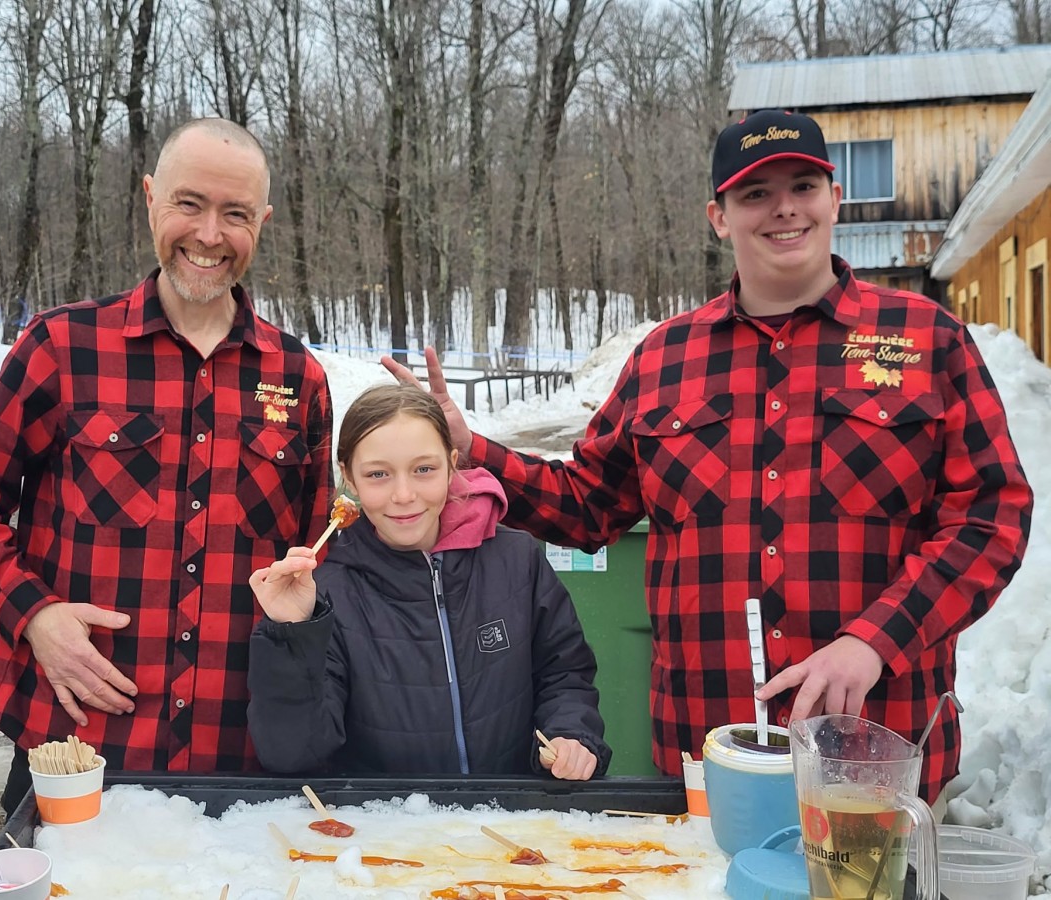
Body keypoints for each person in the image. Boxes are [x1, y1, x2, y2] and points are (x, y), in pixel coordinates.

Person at [385, 109, 1033, 803]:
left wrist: (875, 640)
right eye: (755, 193)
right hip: (706, 752)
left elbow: (992, 518)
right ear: (719, 216)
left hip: (875, 752)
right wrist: (470, 449)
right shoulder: (667, 359)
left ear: (834, 197)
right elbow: (587, 507)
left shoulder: (925, 340)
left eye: (803, 185)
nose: (784, 208)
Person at [0, 117, 334, 814]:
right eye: (189, 204)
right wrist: (35, 615)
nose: (209, 235)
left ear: (261, 222)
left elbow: (322, 561)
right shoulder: (64, 346)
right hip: (76, 745)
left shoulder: (298, 380)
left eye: (234, 214)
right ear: (150, 197)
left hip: (235, 758)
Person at [245, 384, 611, 779]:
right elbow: (292, 755)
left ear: (452, 464)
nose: (404, 495)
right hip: (392, 828)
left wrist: (571, 733)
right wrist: (292, 634)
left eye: (424, 469)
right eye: (378, 474)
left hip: (512, 820)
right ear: (348, 476)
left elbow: (564, 673)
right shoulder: (331, 592)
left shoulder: (517, 560)